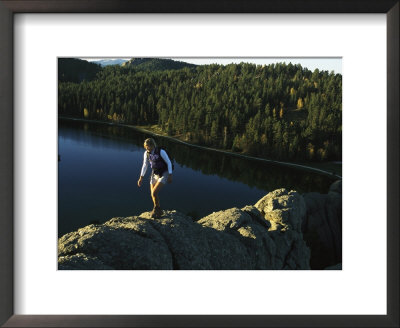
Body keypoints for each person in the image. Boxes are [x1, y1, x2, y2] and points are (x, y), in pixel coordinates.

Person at [137, 138, 173, 218]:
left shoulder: (161, 151)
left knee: (154, 192)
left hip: (164, 173)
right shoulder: (146, 153)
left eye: (148, 146)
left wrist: (170, 174)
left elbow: (169, 162)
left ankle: (156, 209)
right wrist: (141, 177)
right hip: (154, 173)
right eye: (145, 147)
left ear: (152, 145)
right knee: (152, 194)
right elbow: (145, 165)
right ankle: (158, 210)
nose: (146, 148)